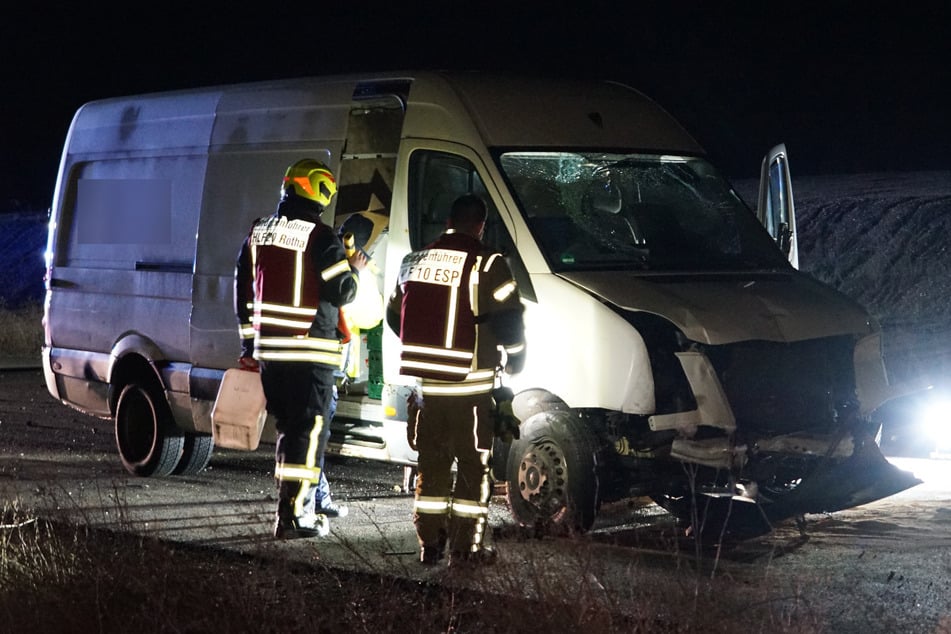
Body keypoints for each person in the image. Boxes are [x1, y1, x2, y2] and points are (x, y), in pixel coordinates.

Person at [386, 193, 526, 566]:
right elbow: (510, 320)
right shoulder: (489, 262)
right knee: (472, 468)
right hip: (472, 389)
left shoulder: (412, 261)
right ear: (480, 225)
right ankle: (467, 550)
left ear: (447, 221)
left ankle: (429, 545)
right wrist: (516, 359)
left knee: (430, 466)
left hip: (426, 390)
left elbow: (393, 316)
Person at [234, 158, 367, 539]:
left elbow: (242, 291)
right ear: (317, 190)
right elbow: (343, 290)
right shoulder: (320, 236)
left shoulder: (258, 232)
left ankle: (289, 510)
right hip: (310, 354)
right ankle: (294, 518)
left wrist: (249, 342)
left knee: (289, 434)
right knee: (307, 437)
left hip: (270, 355)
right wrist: (352, 266)